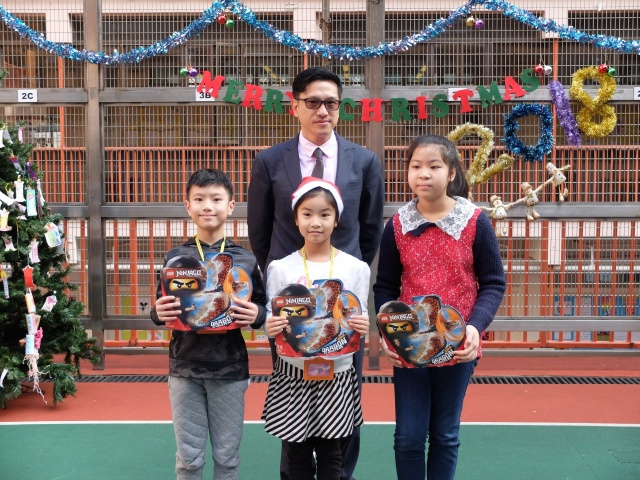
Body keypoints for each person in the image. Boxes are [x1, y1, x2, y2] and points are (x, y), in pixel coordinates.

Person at [247, 66, 384, 480]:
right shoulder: (270, 160)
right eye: (313, 102)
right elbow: (260, 232)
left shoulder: (365, 160)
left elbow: (369, 230)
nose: (322, 110)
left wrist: (343, 271)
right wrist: (286, 278)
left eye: (331, 103)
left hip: (343, 305)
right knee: (293, 390)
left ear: (339, 108)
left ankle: (340, 474)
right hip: (291, 305)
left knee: (344, 390)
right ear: (295, 106)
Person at [373, 135, 506, 480]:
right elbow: (385, 286)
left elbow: (493, 283)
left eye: (434, 166)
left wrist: (475, 327)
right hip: (410, 346)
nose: (424, 174)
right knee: (408, 438)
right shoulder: (397, 225)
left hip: (458, 347)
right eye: (416, 166)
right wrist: (388, 334)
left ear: (451, 173)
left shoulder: (475, 221)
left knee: (445, 435)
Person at [150, 168, 267, 480]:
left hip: (229, 369)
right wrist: (158, 313)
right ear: (188, 206)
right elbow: (160, 308)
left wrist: (256, 315)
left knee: (227, 457)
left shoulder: (245, 259)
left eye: (216, 199)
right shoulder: (175, 258)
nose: (208, 206)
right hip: (184, 368)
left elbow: (263, 307)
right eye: (199, 199)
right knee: (188, 459)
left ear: (231, 206)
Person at [262, 178, 370, 480]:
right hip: (293, 372)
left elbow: (358, 317)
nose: (316, 222)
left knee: (332, 452)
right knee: (295, 451)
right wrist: (271, 326)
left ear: (336, 220)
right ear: (295, 219)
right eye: (307, 214)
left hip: (337, 372)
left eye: (325, 214)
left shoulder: (356, 268)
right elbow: (272, 318)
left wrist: (363, 325)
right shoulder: (280, 267)